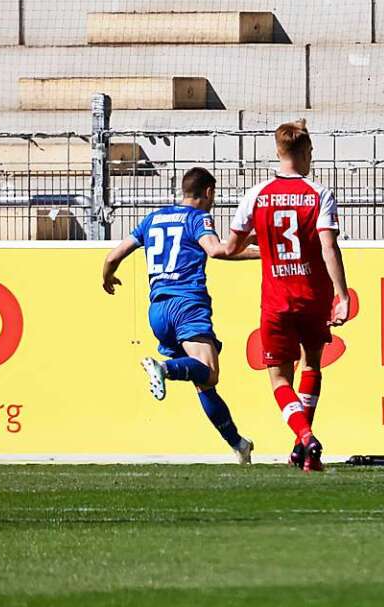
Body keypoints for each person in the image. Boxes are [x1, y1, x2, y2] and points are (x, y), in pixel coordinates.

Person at [102, 167, 258, 464]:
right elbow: (215, 251)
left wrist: (107, 277)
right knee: (208, 370)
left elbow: (113, 256)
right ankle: (164, 368)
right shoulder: (197, 218)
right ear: (208, 192)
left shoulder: (153, 219)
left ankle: (239, 444)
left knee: (204, 382)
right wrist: (262, 253)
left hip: (158, 310)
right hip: (187, 304)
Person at [226, 119, 351, 472]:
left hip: (277, 300)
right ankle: (303, 449)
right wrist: (342, 294)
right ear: (306, 152)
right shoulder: (319, 193)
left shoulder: (257, 194)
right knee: (311, 364)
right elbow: (329, 246)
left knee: (280, 378)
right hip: (313, 296)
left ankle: (305, 437)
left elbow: (232, 246)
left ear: (279, 152)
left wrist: (260, 249)